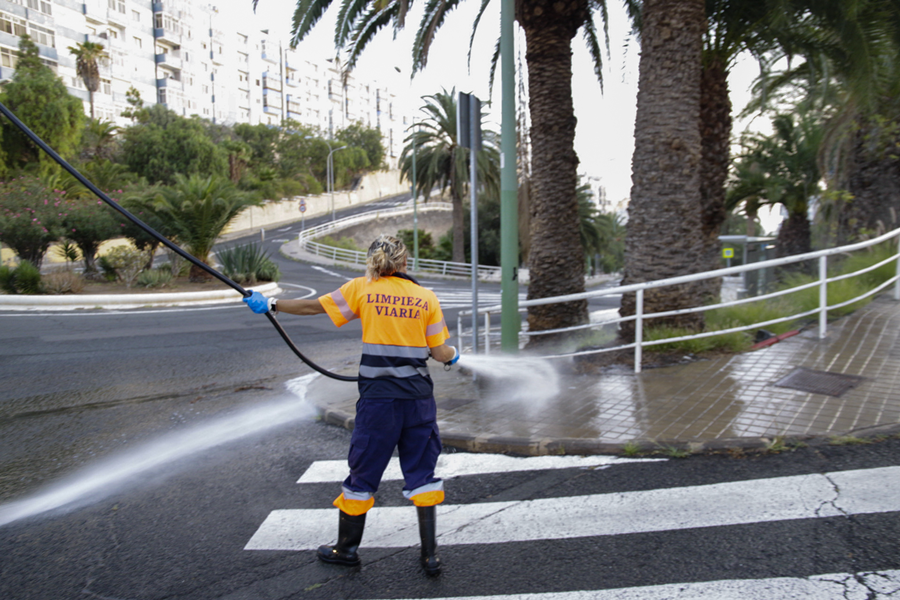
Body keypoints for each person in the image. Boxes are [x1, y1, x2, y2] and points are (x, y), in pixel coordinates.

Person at [244, 234, 458, 576]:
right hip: (418, 400)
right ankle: (430, 556)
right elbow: (439, 352)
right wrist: (455, 356)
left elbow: (315, 305)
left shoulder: (363, 288)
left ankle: (346, 549)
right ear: (404, 263)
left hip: (379, 402)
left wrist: (271, 305)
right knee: (422, 472)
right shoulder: (425, 297)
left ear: (373, 261)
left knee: (364, 471)